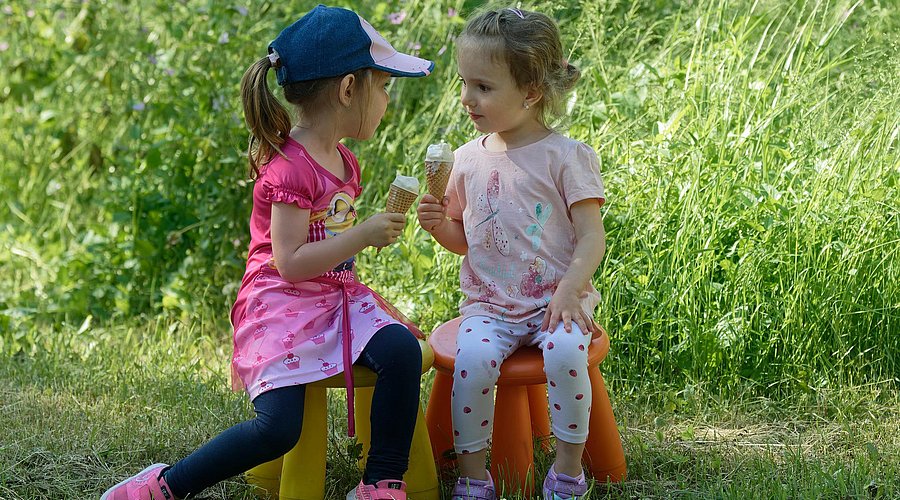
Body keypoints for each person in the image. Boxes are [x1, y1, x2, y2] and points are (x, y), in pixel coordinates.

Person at [101, 5, 434, 500]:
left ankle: (381, 482)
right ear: (347, 89)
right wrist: (361, 235)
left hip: (332, 299)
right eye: (382, 86)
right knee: (279, 429)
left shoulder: (344, 161)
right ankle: (165, 486)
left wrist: (360, 236)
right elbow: (290, 262)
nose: (387, 99)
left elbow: (329, 246)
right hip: (280, 303)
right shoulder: (289, 170)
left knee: (401, 351)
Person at [416, 7, 605, 500]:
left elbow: (591, 237)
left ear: (531, 91)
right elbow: (467, 237)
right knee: (472, 361)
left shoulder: (566, 156)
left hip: (555, 301)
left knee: (566, 352)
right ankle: (474, 476)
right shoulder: (465, 160)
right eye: (464, 83)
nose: (466, 98)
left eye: (482, 87)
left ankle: (567, 471)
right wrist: (440, 227)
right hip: (490, 306)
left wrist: (569, 290)